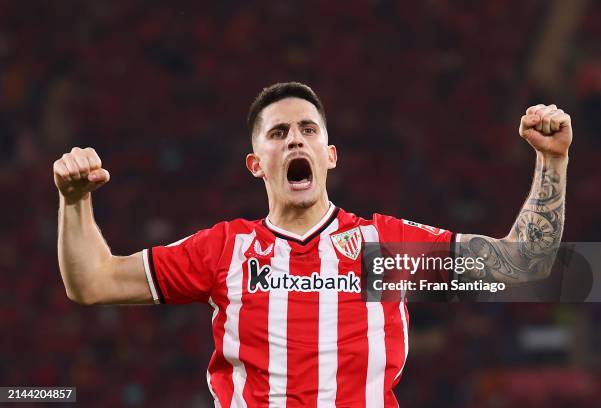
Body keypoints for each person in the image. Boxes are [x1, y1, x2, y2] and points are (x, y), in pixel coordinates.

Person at [54, 82, 572, 407]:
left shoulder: (380, 249)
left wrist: (552, 160)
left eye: (307, 129)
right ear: (256, 163)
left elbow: (526, 263)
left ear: (329, 155)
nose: (295, 139)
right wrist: (74, 201)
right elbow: (93, 283)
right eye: (278, 133)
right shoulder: (226, 249)